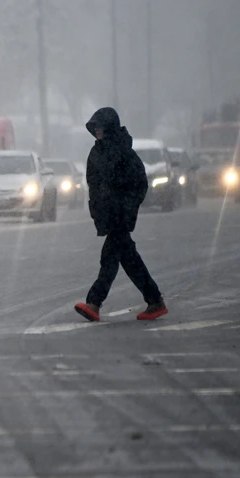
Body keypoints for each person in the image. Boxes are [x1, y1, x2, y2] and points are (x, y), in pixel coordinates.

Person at [74, 107, 168, 322]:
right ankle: (155, 301)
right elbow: (94, 184)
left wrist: (127, 206)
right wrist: (97, 209)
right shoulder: (96, 152)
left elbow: (140, 184)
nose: (96, 130)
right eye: (94, 127)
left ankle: (94, 303)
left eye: (100, 126)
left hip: (121, 215)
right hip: (107, 214)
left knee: (109, 258)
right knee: (129, 259)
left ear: (109, 126)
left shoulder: (124, 152)